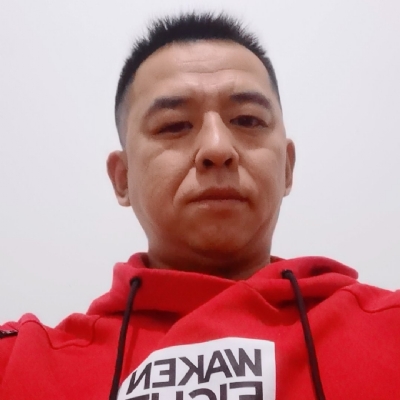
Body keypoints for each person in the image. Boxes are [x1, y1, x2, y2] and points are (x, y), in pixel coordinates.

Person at [0, 11, 399, 400]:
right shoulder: (20, 365)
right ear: (122, 178)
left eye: (247, 120)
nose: (217, 148)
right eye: (174, 125)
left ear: (287, 169)